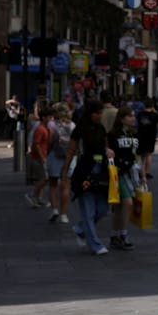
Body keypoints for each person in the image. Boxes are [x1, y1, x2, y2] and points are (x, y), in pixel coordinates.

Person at [67, 97, 113, 255]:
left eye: (100, 113)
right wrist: (66, 173)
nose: (99, 116)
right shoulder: (80, 130)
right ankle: (95, 244)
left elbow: (106, 146)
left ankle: (80, 228)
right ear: (90, 113)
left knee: (102, 209)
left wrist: (108, 152)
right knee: (88, 210)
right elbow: (71, 151)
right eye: (96, 113)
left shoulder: (101, 129)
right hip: (84, 171)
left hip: (101, 172)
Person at [108, 105, 141, 251]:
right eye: (130, 116)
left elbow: (137, 154)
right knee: (127, 202)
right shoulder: (113, 135)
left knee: (119, 206)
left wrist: (143, 173)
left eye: (133, 115)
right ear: (122, 119)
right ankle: (123, 234)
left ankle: (115, 235)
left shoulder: (134, 134)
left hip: (132, 171)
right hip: (118, 171)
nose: (133, 118)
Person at [45, 103, 72, 224]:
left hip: (54, 156)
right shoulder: (72, 125)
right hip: (68, 157)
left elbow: (49, 140)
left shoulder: (51, 124)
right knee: (66, 186)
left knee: (53, 184)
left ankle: (55, 209)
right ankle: (64, 214)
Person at [25, 104, 52, 208]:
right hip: (38, 158)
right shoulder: (40, 129)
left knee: (42, 178)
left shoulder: (45, 128)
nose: (51, 119)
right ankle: (31, 195)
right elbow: (36, 144)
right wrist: (42, 158)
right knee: (45, 178)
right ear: (44, 117)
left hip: (41, 157)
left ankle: (38, 199)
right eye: (49, 117)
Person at [135, 100, 158, 177]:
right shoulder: (155, 115)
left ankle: (141, 171)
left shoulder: (140, 114)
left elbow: (138, 123)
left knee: (142, 155)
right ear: (152, 106)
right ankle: (147, 172)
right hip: (151, 136)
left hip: (141, 136)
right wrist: (154, 110)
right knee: (149, 154)